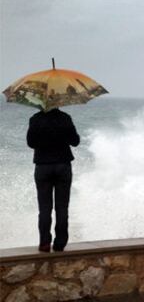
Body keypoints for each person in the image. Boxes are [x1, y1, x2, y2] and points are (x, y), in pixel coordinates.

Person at [27, 108, 80, 252]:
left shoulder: (35, 119)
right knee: (62, 207)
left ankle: (44, 243)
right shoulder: (65, 118)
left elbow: (30, 143)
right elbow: (75, 141)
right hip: (63, 166)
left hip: (43, 166)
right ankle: (60, 243)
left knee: (44, 208)